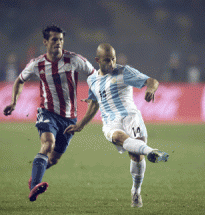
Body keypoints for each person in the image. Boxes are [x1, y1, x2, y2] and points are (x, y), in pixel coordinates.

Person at [64, 43, 169, 208]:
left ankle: (136, 191)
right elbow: (94, 104)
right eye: (107, 60)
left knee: (136, 156)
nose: (111, 63)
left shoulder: (124, 71)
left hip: (131, 117)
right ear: (97, 60)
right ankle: (152, 151)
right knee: (119, 137)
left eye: (113, 59)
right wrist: (81, 125)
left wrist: (151, 89)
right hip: (110, 122)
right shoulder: (92, 80)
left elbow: (152, 81)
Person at [3, 25, 96, 201]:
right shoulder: (37, 64)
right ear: (45, 42)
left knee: (53, 160)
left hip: (70, 118)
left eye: (61, 39)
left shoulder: (74, 60)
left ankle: (35, 179)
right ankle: (35, 187)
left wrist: (95, 93)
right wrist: (14, 101)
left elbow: (94, 75)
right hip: (48, 112)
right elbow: (19, 80)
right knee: (47, 145)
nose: (58, 43)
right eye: (54, 39)